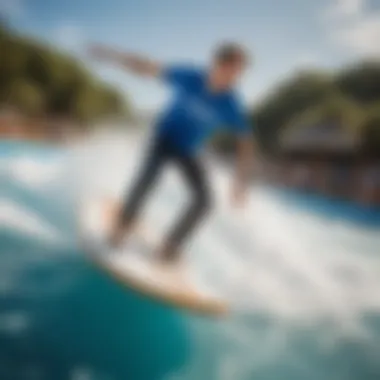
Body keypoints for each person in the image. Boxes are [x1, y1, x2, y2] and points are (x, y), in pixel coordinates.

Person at [89, 42, 255, 264]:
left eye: (238, 72)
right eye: (231, 69)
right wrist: (111, 55)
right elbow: (147, 67)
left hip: (188, 150)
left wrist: (240, 182)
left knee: (205, 201)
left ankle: (170, 247)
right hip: (163, 139)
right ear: (216, 64)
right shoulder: (189, 76)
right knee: (146, 181)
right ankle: (120, 228)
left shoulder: (231, 104)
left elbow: (245, 142)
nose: (234, 77)